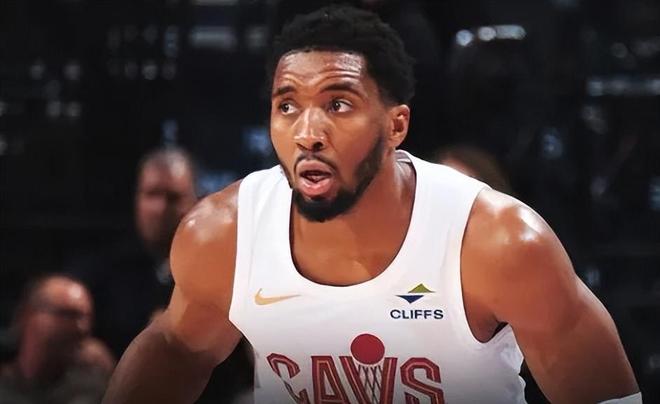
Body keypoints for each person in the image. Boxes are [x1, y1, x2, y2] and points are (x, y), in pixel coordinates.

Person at [103, 5, 640, 404]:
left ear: (396, 125)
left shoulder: (497, 241)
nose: (308, 132)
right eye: (287, 106)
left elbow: (605, 397)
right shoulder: (225, 234)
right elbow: (179, 348)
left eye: (338, 104)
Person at [69, 146, 198, 358]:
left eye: (173, 197)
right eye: (152, 194)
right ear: (137, 199)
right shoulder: (100, 267)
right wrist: (85, 347)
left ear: (196, 201)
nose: (160, 208)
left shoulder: (217, 269)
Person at [0, 275, 114, 404]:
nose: (82, 327)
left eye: (86, 317)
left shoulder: (92, 389)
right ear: (29, 315)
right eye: (68, 315)